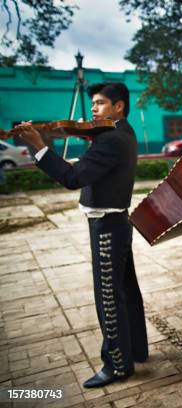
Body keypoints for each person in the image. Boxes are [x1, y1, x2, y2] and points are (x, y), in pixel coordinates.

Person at [15, 82, 148, 388]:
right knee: (126, 291)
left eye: (100, 103)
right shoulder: (122, 133)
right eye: (93, 104)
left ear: (119, 107)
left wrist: (40, 145)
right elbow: (90, 169)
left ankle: (117, 365)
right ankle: (136, 350)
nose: (94, 109)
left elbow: (72, 178)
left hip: (106, 226)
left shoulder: (110, 139)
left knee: (108, 297)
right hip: (117, 221)